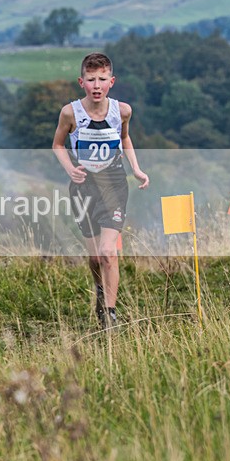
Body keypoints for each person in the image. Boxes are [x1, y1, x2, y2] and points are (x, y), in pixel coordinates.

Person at [52, 52, 149, 329]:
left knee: (108, 252)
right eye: (91, 80)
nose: (97, 85)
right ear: (81, 82)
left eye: (102, 79)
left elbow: (125, 137)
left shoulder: (123, 111)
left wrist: (136, 169)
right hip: (83, 187)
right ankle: (99, 290)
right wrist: (69, 167)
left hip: (114, 184)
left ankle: (110, 314)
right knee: (95, 257)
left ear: (112, 81)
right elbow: (58, 145)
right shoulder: (70, 112)